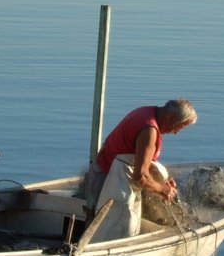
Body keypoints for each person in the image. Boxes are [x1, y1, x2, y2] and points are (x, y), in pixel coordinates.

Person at [84, 98, 197, 242]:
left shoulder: (146, 112)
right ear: (171, 118)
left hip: (102, 171)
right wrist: (163, 190)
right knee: (112, 234)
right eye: (179, 127)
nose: (176, 132)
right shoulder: (149, 131)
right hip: (108, 182)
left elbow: (138, 158)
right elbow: (139, 177)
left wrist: (160, 180)